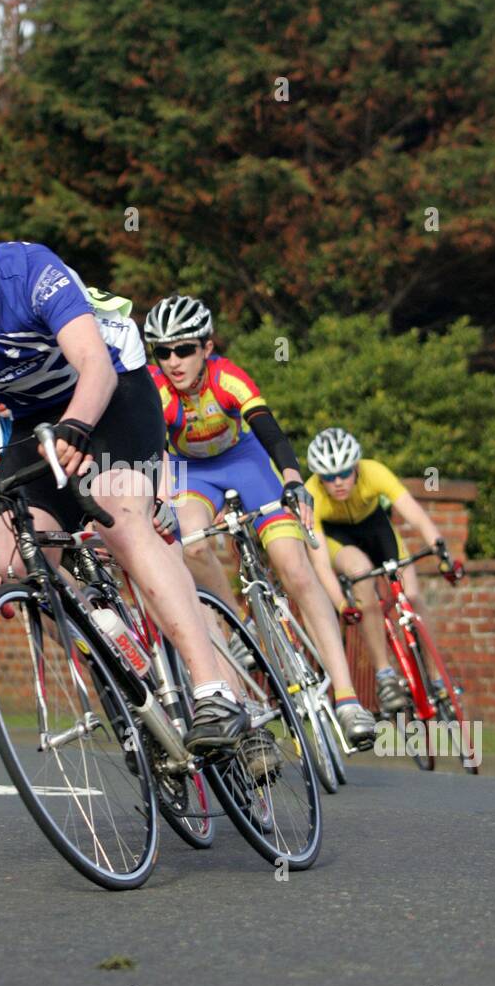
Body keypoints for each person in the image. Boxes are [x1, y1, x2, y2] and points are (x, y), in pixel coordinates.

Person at [0, 195, 251, 755]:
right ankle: (114, 640)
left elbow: (94, 364)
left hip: (113, 389)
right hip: (33, 418)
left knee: (119, 518)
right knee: (15, 559)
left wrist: (77, 427)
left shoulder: (27, 272)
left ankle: (216, 691)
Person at [144, 294, 376, 750]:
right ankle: (234, 628)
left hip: (246, 462)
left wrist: (292, 480)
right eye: (163, 351)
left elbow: (268, 428)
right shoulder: (157, 390)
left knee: (292, 565)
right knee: (191, 543)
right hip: (194, 474)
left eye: (184, 349)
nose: (173, 361)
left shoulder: (227, 377)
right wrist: (157, 496)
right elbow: (154, 451)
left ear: (206, 347)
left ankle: (348, 700)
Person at [304, 427, 463, 713]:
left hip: (376, 527)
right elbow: (319, 564)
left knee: (412, 596)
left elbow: (415, 515)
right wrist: (342, 603)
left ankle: (438, 678)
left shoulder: (374, 471)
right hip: (338, 537)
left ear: (356, 468)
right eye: (328, 477)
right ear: (319, 478)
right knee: (360, 571)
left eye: (344, 473)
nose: (338, 482)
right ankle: (384, 674)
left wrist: (443, 554)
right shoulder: (310, 493)